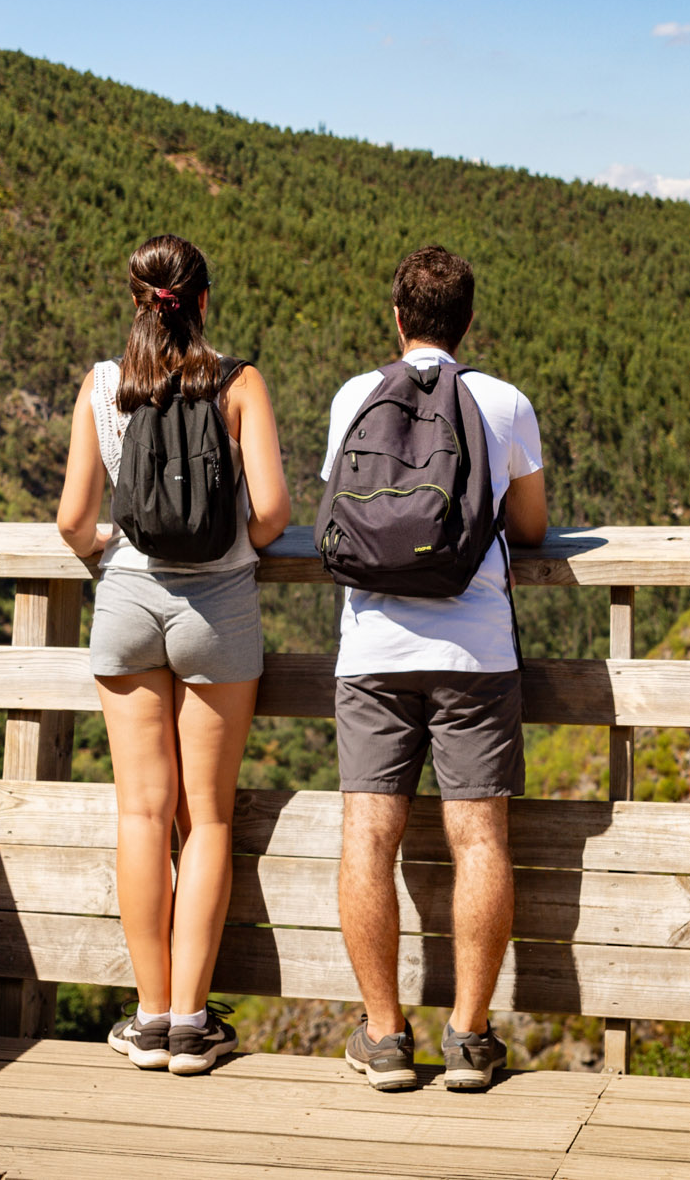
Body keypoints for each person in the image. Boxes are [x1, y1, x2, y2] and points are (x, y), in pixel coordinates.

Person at [55, 234, 291, 1076]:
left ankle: (149, 1015)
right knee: (210, 817)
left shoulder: (103, 384)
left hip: (125, 597)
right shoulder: (239, 381)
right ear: (202, 297)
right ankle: (193, 1024)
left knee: (141, 815)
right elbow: (271, 511)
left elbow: (72, 521)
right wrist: (235, 542)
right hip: (218, 605)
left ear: (138, 298)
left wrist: (114, 542)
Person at [327, 245, 547, 1093]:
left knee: (367, 839)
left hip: (373, 651)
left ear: (397, 318)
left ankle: (385, 1037)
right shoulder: (502, 401)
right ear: (467, 322)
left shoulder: (357, 394)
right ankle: (469, 1036)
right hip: (476, 651)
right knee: (480, 838)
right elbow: (528, 527)